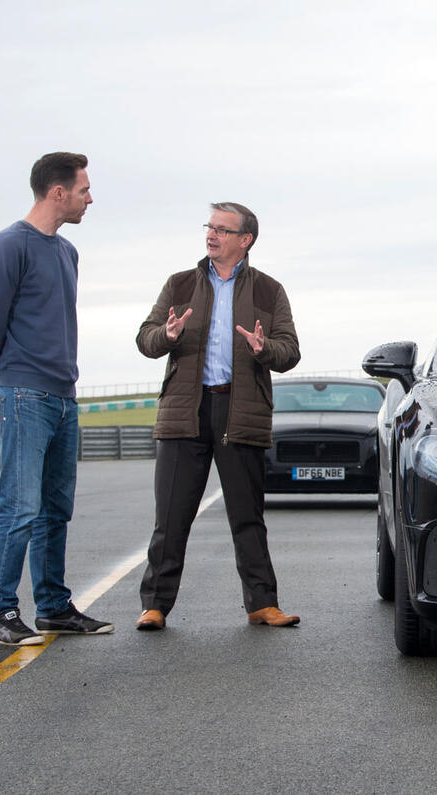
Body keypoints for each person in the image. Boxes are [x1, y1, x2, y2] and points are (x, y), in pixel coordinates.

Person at [134, 202, 301, 631]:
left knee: (247, 517)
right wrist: (166, 335)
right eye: (210, 226)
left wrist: (265, 350)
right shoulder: (180, 284)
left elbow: (290, 352)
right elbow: (146, 338)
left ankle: (263, 604)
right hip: (184, 412)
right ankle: (154, 605)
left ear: (245, 240)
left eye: (223, 230)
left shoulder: (269, 290)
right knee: (170, 518)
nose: (212, 235)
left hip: (240, 410)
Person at [0, 151, 114, 646]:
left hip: (63, 394)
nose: (89, 198)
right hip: (25, 392)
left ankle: (53, 607)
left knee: (56, 508)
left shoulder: (67, 252)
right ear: (58, 192)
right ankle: (1, 612)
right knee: (20, 507)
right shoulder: (10, 245)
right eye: (83, 190)